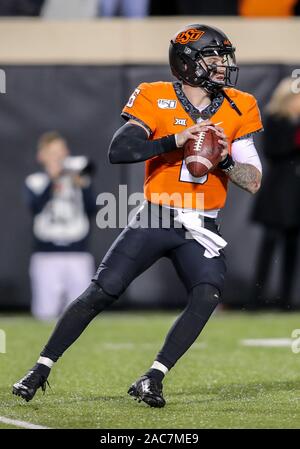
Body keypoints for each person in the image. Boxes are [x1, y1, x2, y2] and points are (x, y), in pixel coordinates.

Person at [13, 24, 263, 408]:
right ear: (188, 63)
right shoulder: (155, 96)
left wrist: (224, 158)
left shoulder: (239, 104)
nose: (221, 65)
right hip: (158, 215)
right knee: (103, 289)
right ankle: (40, 368)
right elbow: (121, 148)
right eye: (212, 57)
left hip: (201, 225)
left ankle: (153, 377)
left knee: (208, 292)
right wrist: (176, 140)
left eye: (223, 57)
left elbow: (253, 180)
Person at [24, 131, 96, 320]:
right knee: (45, 312)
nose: (59, 156)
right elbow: (35, 207)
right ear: (42, 156)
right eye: (52, 152)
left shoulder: (79, 180)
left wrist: (82, 184)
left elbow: (91, 208)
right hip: (46, 254)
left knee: (80, 312)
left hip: (78, 252)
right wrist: (52, 180)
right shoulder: (35, 181)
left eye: (61, 151)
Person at [250, 77, 300, 310]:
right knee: (269, 244)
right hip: (278, 192)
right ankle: (256, 299)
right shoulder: (276, 120)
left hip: (295, 193)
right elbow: (274, 151)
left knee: (292, 247)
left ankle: (286, 300)